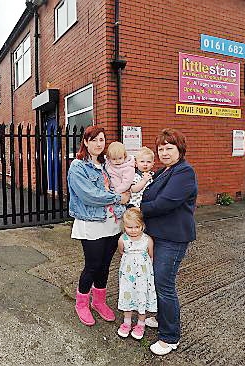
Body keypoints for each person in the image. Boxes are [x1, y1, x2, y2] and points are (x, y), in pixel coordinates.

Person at [140, 128, 198, 356]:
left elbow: (166, 202)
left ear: (179, 149)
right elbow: (149, 195)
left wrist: (138, 210)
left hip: (173, 238)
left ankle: (170, 336)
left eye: (169, 148)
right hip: (159, 234)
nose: (164, 152)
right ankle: (162, 318)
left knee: (164, 285)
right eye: (161, 149)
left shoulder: (184, 172)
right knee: (158, 281)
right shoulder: (165, 171)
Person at [67, 125, 130, 326]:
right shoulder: (78, 166)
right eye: (93, 140)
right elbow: (90, 196)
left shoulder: (106, 165)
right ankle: (81, 304)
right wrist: (119, 198)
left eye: (101, 140)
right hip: (91, 223)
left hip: (112, 222)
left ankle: (99, 302)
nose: (98, 144)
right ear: (85, 142)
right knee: (92, 266)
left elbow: (125, 175)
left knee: (104, 266)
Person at [116, 207, 157, 340]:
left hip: (143, 277)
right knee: (127, 295)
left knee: (141, 297)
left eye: (136, 227)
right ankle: (126, 323)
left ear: (142, 225)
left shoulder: (147, 240)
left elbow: (151, 256)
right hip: (128, 276)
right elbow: (122, 252)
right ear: (124, 226)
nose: (133, 230)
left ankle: (141, 324)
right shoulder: (123, 240)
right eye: (129, 227)